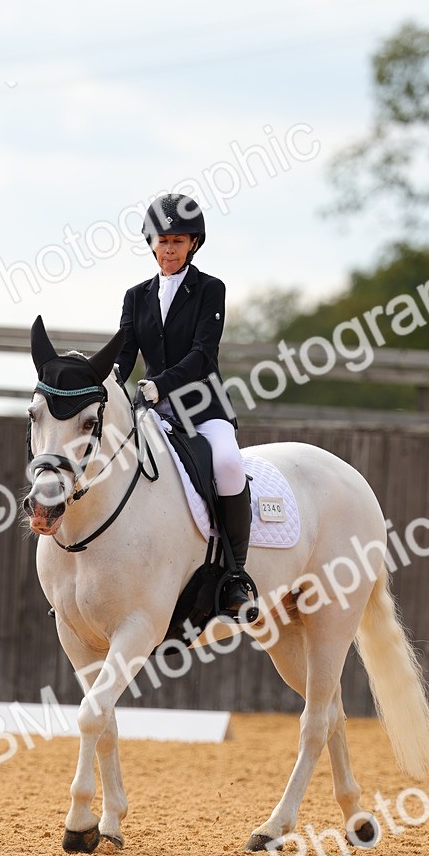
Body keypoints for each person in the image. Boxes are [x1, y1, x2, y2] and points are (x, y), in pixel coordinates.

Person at [115, 193, 254, 617]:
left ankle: (236, 576)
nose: (170, 249)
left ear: (193, 243)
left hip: (203, 407)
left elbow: (202, 355)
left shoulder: (210, 289)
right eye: (163, 241)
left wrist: (159, 385)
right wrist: (105, 381)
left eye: (178, 241)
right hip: (152, 413)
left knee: (228, 465)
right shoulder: (136, 296)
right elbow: (124, 355)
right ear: (152, 243)